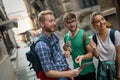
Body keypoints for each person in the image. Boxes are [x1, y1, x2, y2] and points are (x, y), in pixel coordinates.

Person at [35, 10, 82, 80]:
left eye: (54, 20)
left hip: (66, 73)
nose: (54, 23)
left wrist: (64, 54)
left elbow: (55, 57)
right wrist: (69, 73)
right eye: (50, 21)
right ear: (42, 24)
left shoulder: (54, 36)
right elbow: (48, 72)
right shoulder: (41, 45)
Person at [63, 12, 96, 80]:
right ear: (65, 24)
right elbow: (66, 48)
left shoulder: (84, 35)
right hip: (76, 72)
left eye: (73, 21)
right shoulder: (66, 37)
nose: (71, 24)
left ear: (76, 21)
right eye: (68, 23)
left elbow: (91, 53)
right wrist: (67, 51)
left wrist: (83, 57)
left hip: (88, 71)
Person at [89, 12, 120, 80]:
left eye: (102, 19)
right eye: (98, 21)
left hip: (114, 68)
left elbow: (119, 54)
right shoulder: (94, 38)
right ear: (94, 25)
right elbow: (97, 56)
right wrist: (94, 48)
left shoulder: (115, 34)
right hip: (102, 71)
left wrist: (118, 72)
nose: (101, 22)